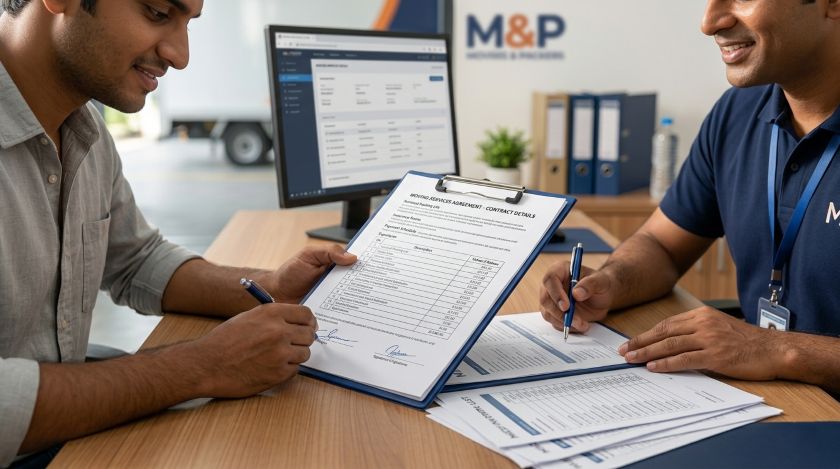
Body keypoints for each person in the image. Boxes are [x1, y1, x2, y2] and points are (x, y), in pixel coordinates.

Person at [0, 0, 357, 466]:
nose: (180, 56)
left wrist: (269, 286)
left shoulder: (86, 131)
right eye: (157, 12)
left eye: (188, 23)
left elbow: (136, 259)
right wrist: (202, 366)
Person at [541, 0, 840, 390]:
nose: (710, 22)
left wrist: (777, 349)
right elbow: (662, 245)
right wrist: (609, 283)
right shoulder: (737, 112)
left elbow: (771, 349)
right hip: (771, 398)